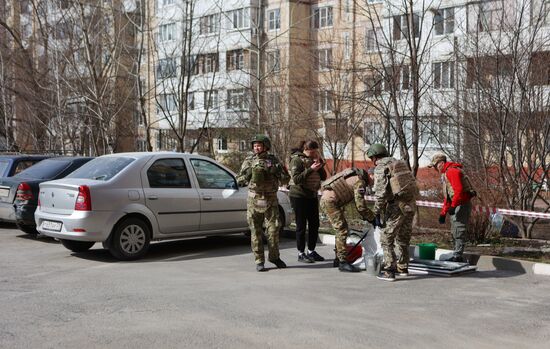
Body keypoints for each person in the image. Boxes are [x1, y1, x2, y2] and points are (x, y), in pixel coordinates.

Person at [237, 135, 290, 272]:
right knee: (255, 231)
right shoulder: (248, 160)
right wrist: (248, 174)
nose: (256, 147)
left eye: (259, 145)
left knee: (273, 230)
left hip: (270, 200)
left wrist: (275, 170)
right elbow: (239, 180)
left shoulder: (273, 160)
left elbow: (286, 180)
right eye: (254, 145)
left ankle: (274, 257)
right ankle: (259, 260)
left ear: (266, 146)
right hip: (254, 200)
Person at [366, 144, 418, 282]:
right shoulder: (399, 163)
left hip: (396, 207)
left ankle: (389, 270)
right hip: (410, 205)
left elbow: (381, 194)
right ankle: (403, 267)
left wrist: (375, 213)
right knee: (403, 237)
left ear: (374, 157)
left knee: (386, 238)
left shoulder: (380, 168)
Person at [320, 167, 375, 272]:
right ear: (371, 175)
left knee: (340, 228)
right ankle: (342, 262)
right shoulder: (360, 181)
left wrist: (367, 216)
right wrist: (372, 218)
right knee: (341, 229)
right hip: (330, 201)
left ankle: (338, 258)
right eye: (375, 179)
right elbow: (361, 206)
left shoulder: (357, 177)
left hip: (330, 200)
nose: (374, 182)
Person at [429, 152, 476, 263]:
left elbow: (458, 191)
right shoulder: (446, 173)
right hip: (458, 204)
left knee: (459, 230)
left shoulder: (452, 171)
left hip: (461, 205)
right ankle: (457, 254)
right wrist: (443, 212)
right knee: (455, 230)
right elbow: (449, 196)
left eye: (435, 166)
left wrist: (454, 206)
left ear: (441, 163)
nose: (435, 169)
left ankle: (458, 256)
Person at [289, 140, 327, 263]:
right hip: (299, 196)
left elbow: (323, 177)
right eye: (314, 151)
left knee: (314, 224)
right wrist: (310, 169)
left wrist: (320, 166)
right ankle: (301, 253)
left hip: (311, 195)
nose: (316, 153)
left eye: (317, 151)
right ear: (307, 149)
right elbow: (296, 179)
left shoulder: (314, 160)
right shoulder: (297, 160)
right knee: (301, 225)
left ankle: (311, 251)